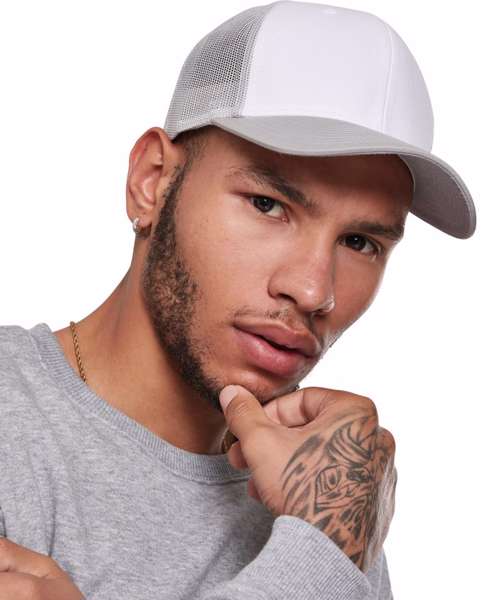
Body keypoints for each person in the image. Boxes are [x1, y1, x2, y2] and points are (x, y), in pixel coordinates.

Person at [0, 1, 476, 599]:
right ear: (153, 181)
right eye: (268, 205)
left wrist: (327, 540)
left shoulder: (327, 503)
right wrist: (326, 548)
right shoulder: (330, 534)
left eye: (360, 242)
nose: (313, 290)